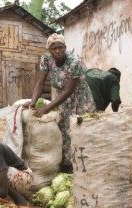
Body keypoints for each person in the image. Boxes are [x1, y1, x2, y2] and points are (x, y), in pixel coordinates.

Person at [25, 33, 96, 172]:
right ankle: (67, 167)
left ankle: (84, 167)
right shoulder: (46, 60)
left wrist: (47, 108)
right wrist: (32, 102)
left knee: (80, 130)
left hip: (80, 99)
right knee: (63, 131)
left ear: (65, 47)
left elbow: (69, 91)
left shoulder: (75, 62)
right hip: (62, 100)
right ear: (49, 50)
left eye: (60, 47)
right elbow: (40, 83)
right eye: (53, 48)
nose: (57, 51)